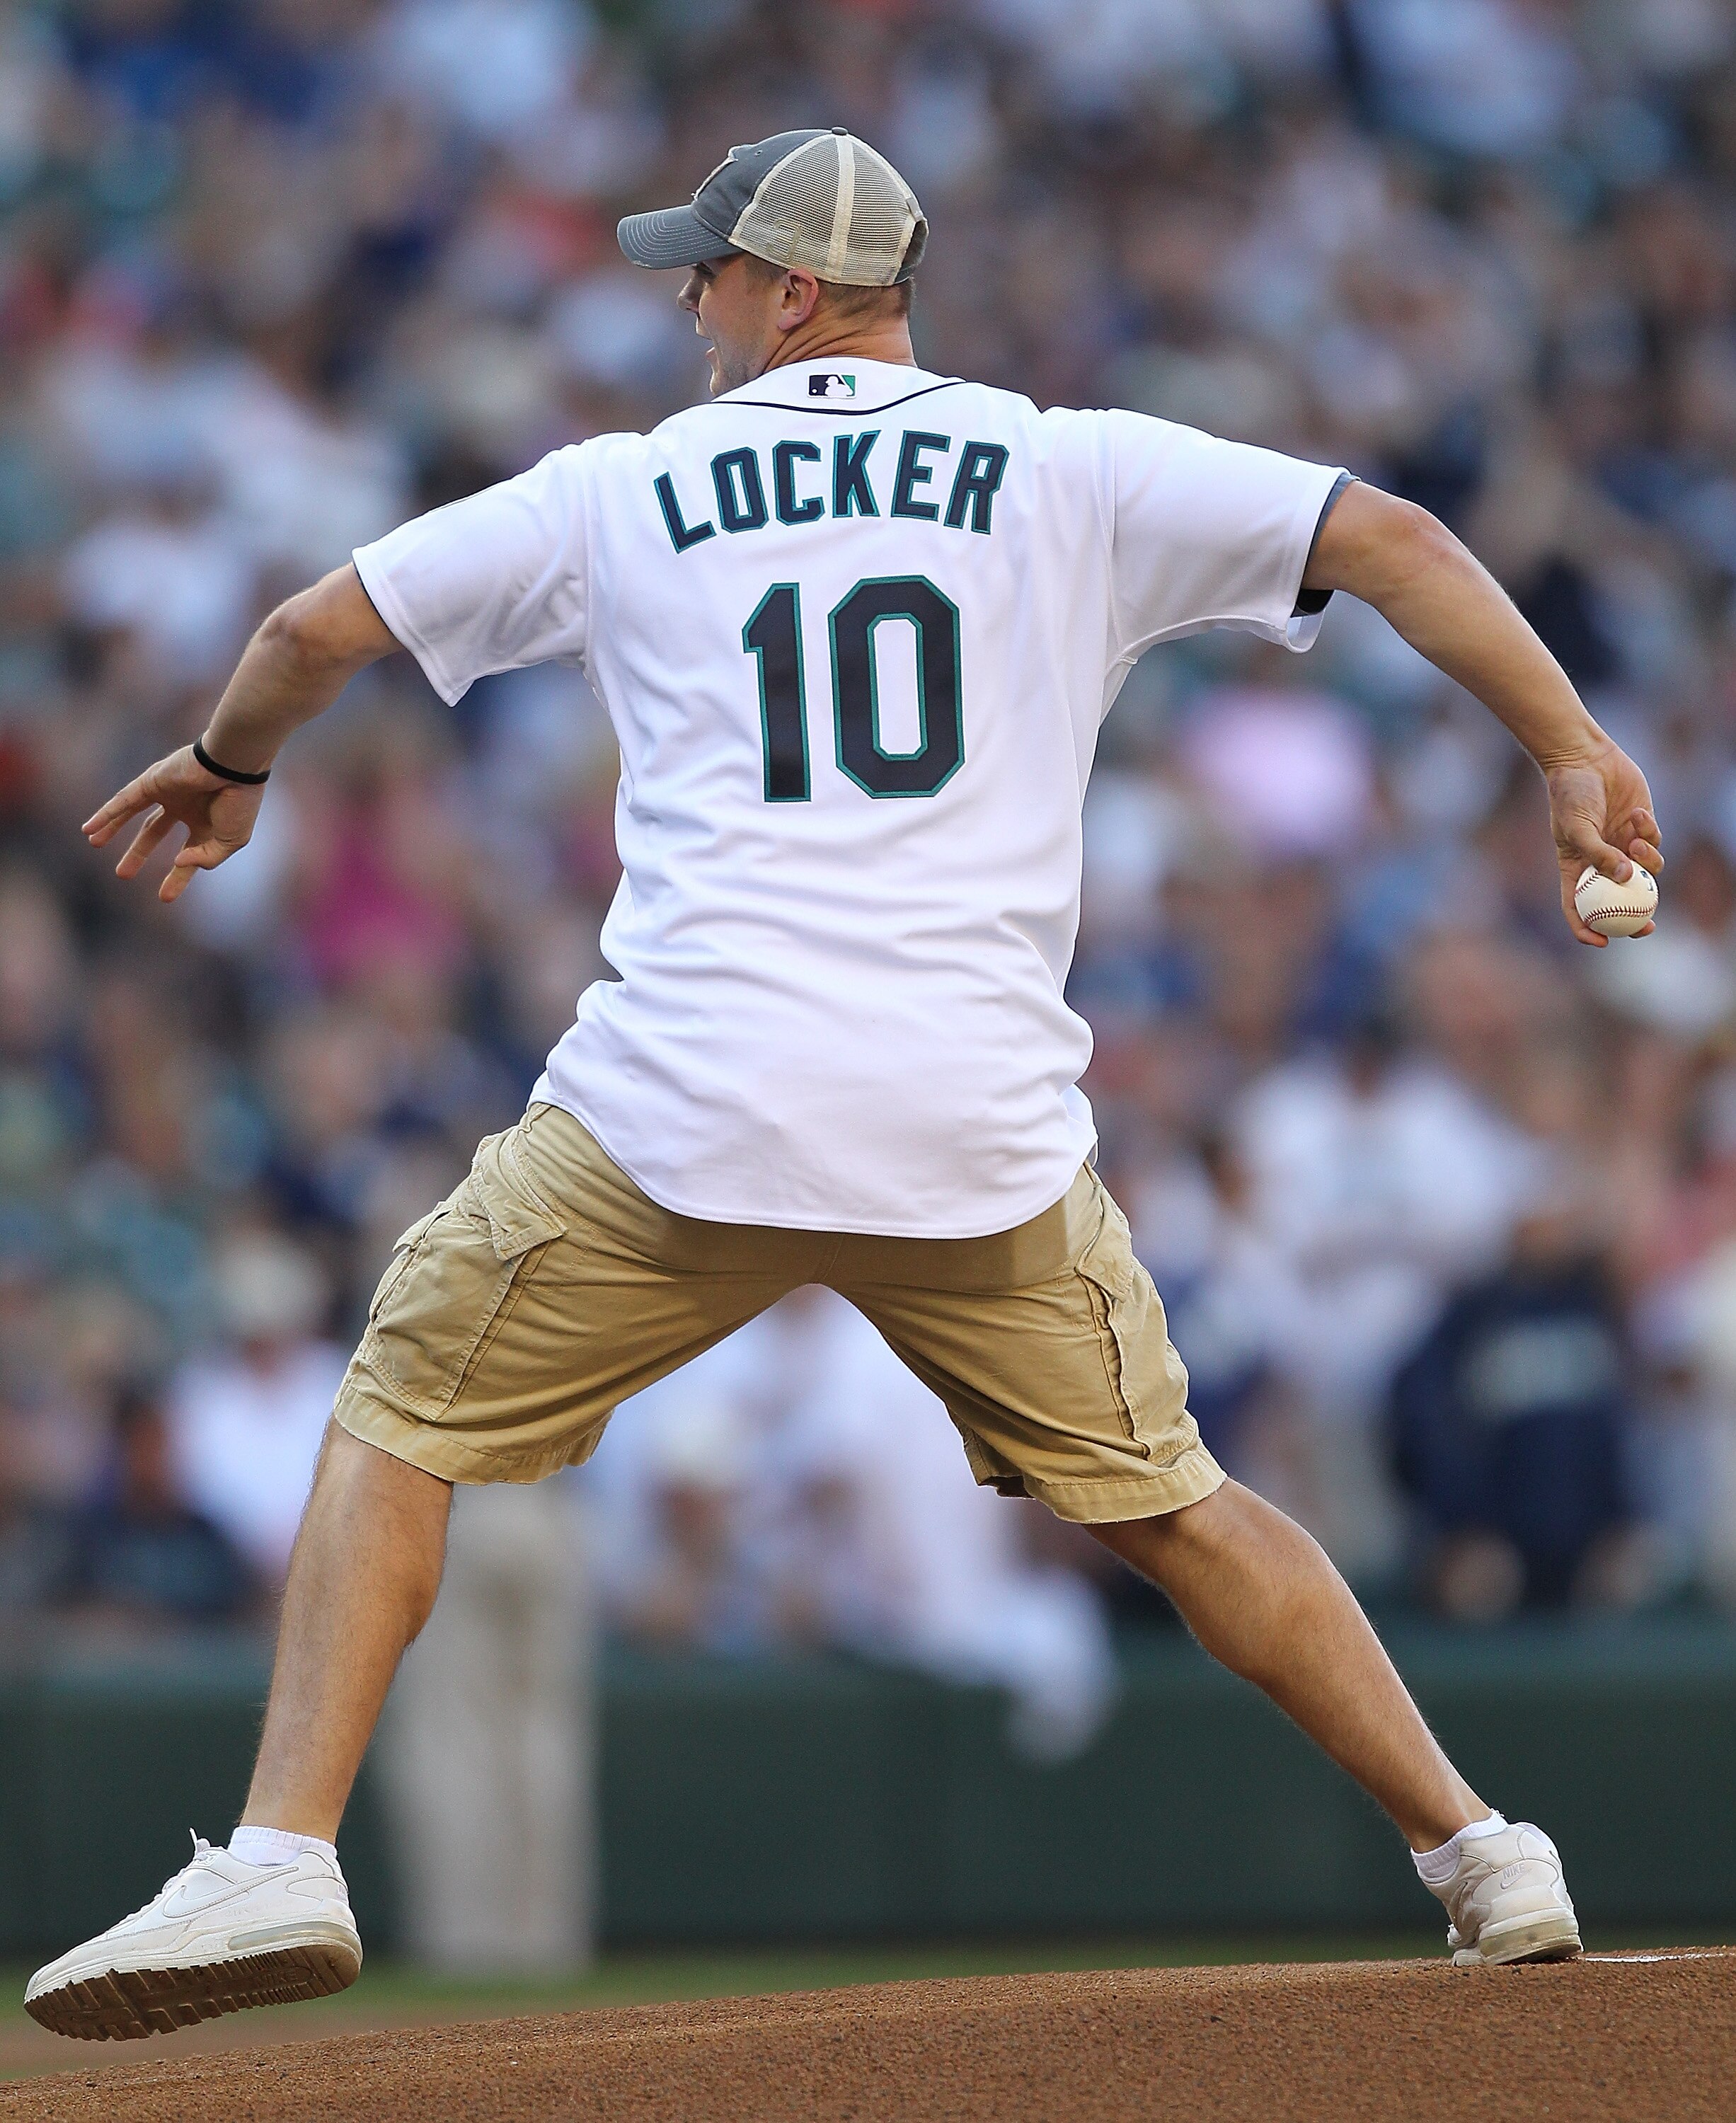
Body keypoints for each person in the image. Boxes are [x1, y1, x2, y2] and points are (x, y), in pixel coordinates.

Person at [25, 127, 1663, 2039]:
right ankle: (1481, 1850)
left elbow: (313, 631)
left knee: (400, 1410)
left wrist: (227, 765)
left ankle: (283, 1856)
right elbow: (1389, 534)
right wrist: (1567, 747)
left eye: (706, 270)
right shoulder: (1070, 463)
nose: (684, 297)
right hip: (973, 1124)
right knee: (1180, 1506)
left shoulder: (628, 487)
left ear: (787, 289)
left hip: (687, 1102)